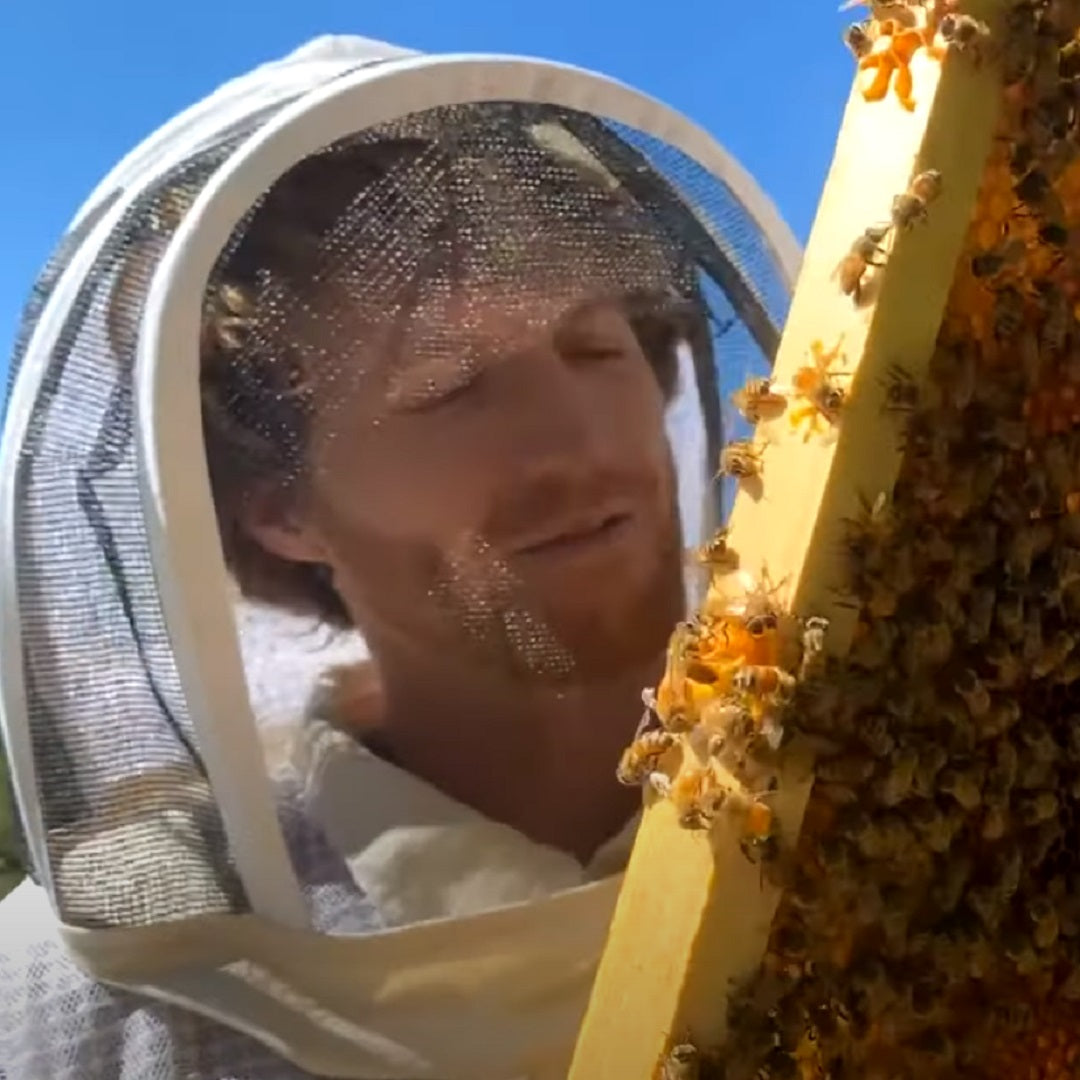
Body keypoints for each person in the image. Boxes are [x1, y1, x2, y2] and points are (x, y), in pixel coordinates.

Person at [0, 34, 793, 1080]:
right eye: (447, 387)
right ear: (279, 504)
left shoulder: (902, 768)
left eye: (598, 348)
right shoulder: (79, 1015)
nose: (581, 441)